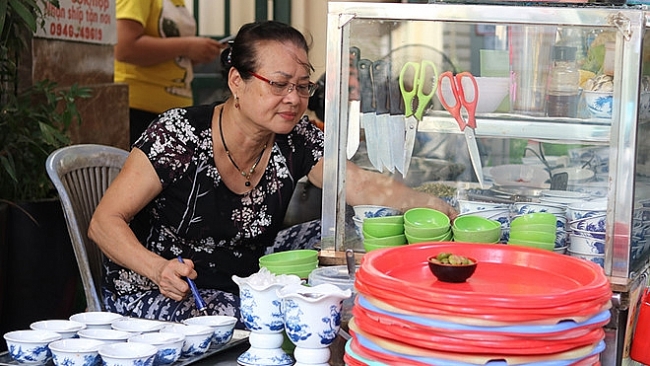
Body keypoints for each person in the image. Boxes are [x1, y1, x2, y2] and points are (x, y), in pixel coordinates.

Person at [89, 20, 456, 324]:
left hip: (247, 276)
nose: (294, 99)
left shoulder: (295, 137)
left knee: (346, 227)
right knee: (288, 314)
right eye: (279, 84)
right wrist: (158, 269)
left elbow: (354, 183)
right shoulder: (178, 134)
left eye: (302, 86)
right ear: (237, 81)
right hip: (169, 287)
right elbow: (104, 222)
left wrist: (431, 206)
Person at [114, 0, 228, 145]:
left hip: (173, 111)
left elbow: (168, 57)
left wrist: (196, 53)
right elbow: (124, 48)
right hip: (139, 110)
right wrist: (186, 46)